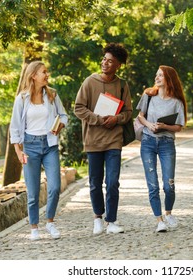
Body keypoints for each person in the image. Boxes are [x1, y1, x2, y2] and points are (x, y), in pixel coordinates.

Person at [74, 43, 132, 235]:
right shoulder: (89, 82)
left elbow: (129, 112)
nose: (105, 63)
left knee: (113, 181)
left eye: (110, 61)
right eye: (104, 59)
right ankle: (98, 217)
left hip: (114, 140)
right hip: (93, 140)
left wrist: (117, 118)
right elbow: (79, 108)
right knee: (95, 182)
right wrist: (98, 119)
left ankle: (112, 221)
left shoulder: (122, 85)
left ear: (118, 65)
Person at [10, 61, 68, 240]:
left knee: (55, 187)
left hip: (49, 145)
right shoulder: (21, 98)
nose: (47, 74)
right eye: (44, 72)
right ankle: (34, 227)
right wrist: (18, 151)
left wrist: (59, 126)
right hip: (30, 147)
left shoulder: (52, 94)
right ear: (33, 75)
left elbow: (64, 115)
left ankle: (50, 222)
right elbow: (15, 126)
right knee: (33, 191)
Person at [136, 65, 187, 232]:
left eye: (160, 76)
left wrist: (165, 125)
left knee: (169, 184)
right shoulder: (148, 96)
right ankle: (159, 220)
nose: (156, 78)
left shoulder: (176, 102)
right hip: (148, 142)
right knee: (153, 185)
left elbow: (179, 127)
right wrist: (150, 125)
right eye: (156, 75)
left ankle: (169, 213)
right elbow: (140, 117)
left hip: (167, 143)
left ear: (168, 79)